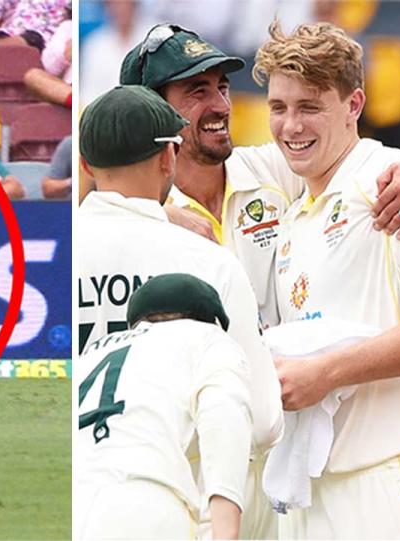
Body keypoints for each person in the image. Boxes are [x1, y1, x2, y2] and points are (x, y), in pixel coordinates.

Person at [251, 21, 400, 538]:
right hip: (309, 494)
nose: (290, 125)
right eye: (278, 108)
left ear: (354, 105)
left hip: (388, 481)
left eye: (309, 107)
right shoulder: (293, 215)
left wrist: (327, 372)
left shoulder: (394, 181)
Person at [118, 24, 400, 331]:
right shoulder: (137, 214)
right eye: (197, 92)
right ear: (151, 114)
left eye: (222, 88)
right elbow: (94, 219)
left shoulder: (275, 169)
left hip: (287, 388)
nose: (221, 105)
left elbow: (350, 157)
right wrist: (156, 215)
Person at [77, 85, 284, 528]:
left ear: (84, 164)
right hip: (172, 500)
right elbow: (263, 421)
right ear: (169, 157)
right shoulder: (207, 260)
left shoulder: (61, 252)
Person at [76, 273, 253, 540]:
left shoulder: (89, 353)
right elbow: (224, 416)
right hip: (144, 508)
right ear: (211, 319)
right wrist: (225, 533)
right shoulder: (208, 338)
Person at [23, 17, 72, 108]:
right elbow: (49, 67)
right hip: (68, 89)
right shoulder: (68, 27)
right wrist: (65, 54)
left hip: (91, 87)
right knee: (33, 76)